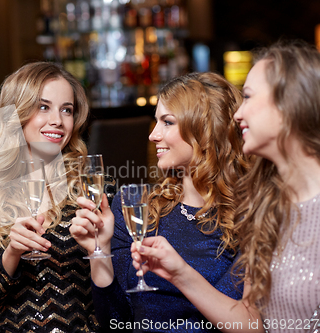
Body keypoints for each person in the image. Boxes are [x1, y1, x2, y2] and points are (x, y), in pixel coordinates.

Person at [133, 40, 320, 333]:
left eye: (248, 97)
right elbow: (254, 324)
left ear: (289, 105)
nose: (235, 114)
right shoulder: (268, 206)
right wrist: (181, 273)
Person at [70, 72, 250, 332]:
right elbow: (115, 323)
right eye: (156, 122)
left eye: (167, 122)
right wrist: (99, 251)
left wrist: (182, 274)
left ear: (205, 128)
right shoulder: (137, 207)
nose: (153, 135)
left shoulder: (249, 217)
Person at [0, 62, 114, 332]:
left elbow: (118, 304)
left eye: (66, 110)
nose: (57, 120)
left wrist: (99, 250)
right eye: (43, 107)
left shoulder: (96, 192)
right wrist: (11, 253)